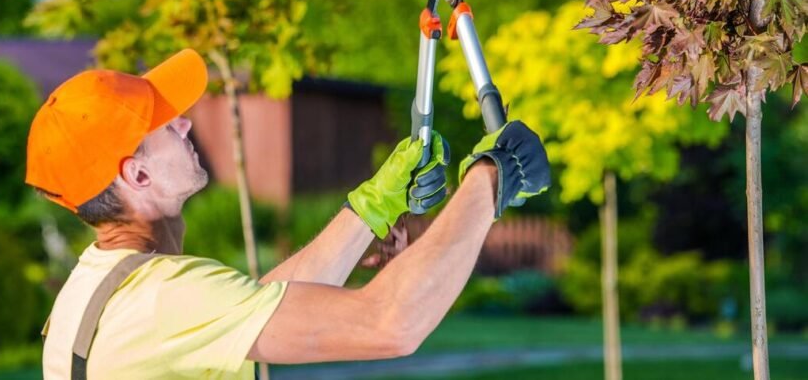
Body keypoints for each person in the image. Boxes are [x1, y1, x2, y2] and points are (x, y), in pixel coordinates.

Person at [29, 48, 550, 379]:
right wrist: (492, 178)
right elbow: (392, 325)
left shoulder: (100, 289)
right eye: (165, 125)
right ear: (137, 177)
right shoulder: (165, 298)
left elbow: (259, 308)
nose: (185, 126)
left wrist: (376, 201)